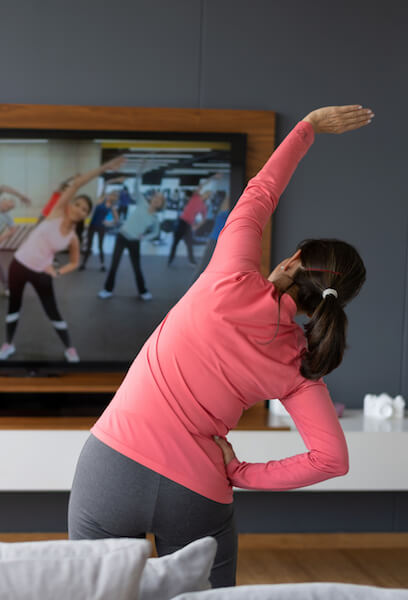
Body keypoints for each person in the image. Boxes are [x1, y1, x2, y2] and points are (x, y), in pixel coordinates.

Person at [68, 105, 373, 588]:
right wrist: (241, 471)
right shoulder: (302, 362)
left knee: (91, 593)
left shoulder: (229, 274)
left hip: (114, 464)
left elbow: (261, 192)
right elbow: (331, 459)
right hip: (199, 488)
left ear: (294, 259)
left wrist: (308, 128)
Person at [0, 155, 126, 363]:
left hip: (42, 272)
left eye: (84, 210)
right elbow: (77, 184)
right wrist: (105, 168)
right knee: (14, 306)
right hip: (18, 266)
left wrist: (57, 272)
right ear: (70, 205)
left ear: (85, 216)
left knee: (52, 311)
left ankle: (69, 348)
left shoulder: (72, 238)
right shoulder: (56, 212)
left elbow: (74, 262)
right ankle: (8, 344)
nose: (80, 210)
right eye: (78, 205)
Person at [97, 192, 165, 300]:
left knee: (136, 267)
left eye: (160, 199)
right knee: (114, 264)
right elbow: (136, 188)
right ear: (152, 198)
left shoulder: (154, 219)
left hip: (134, 241)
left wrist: (144, 238)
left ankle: (143, 291)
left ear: (161, 204)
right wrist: (139, 174)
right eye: (156, 197)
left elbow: (156, 233)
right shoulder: (142, 202)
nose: (157, 199)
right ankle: (107, 290)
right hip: (122, 236)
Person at [167, 176, 217, 266]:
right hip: (181, 222)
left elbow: (204, 219)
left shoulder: (203, 207)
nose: (207, 195)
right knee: (175, 242)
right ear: (204, 193)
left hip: (188, 225)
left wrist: (196, 226)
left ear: (208, 197)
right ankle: (170, 260)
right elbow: (201, 185)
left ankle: (192, 261)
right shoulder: (195, 196)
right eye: (207, 193)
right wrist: (213, 177)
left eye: (208, 195)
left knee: (190, 244)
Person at [79, 191, 120, 271]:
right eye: (112, 195)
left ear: (115, 198)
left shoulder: (112, 207)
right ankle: (83, 264)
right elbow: (92, 211)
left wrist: (108, 223)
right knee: (88, 246)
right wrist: (86, 223)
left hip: (101, 227)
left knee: (100, 246)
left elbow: (117, 220)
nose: (112, 197)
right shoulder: (102, 200)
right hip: (92, 225)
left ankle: (102, 265)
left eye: (114, 196)